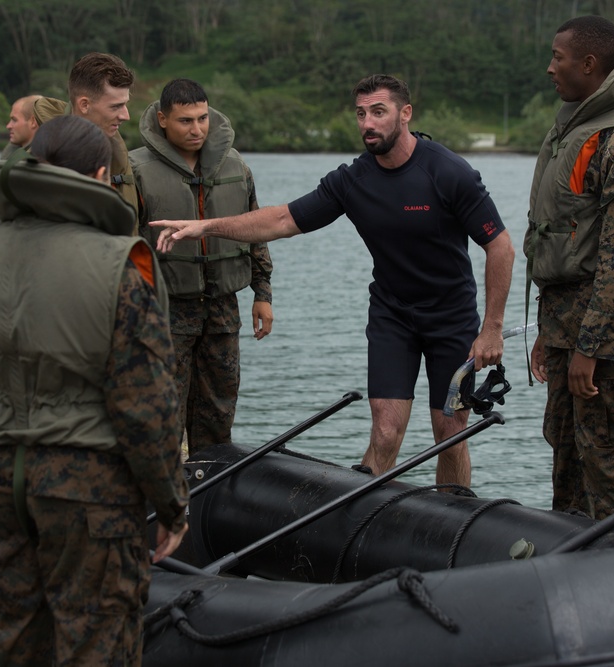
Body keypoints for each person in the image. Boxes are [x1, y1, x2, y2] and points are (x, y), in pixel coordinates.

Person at [153, 74, 514, 487]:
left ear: (405, 114)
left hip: (451, 318)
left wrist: (492, 329)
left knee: (450, 434)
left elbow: (500, 247)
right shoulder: (352, 180)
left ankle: (455, 523)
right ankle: (361, 528)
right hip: (393, 316)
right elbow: (282, 219)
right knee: (385, 431)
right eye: (361, 114)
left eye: (378, 112)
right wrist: (206, 227)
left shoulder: (449, 172)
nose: (367, 123)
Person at [0, 114, 189, 664]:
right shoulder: (118, 266)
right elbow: (145, 406)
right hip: (91, 491)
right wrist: (171, 504)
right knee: (96, 642)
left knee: (5, 636)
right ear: (100, 175)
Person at [526, 15, 614, 525]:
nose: (550, 68)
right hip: (565, 326)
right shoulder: (573, 130)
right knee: (566, 456)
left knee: (611, 462)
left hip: (600, 338)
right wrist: (552, 336)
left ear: (589, 64)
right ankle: (574, 565)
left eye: (558, 58)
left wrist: (592, 346)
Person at [129, 78, 274, 455]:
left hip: (223, 309)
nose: (196, 129)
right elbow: (124, 248)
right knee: (164, 408)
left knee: (220, 406)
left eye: (202, 118)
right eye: (185, 121)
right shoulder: (135, 169)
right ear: (162, 119)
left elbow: (254, 229)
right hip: (165, 310)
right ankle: (166, 490)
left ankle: (212, 483)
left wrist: (263, 293)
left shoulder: (235, 164)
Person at [34, 52, 140, 220]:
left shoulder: (117, 149)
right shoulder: (39, 160)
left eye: (125, 105)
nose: (126, 116)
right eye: (116, 107)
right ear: (84, 104)